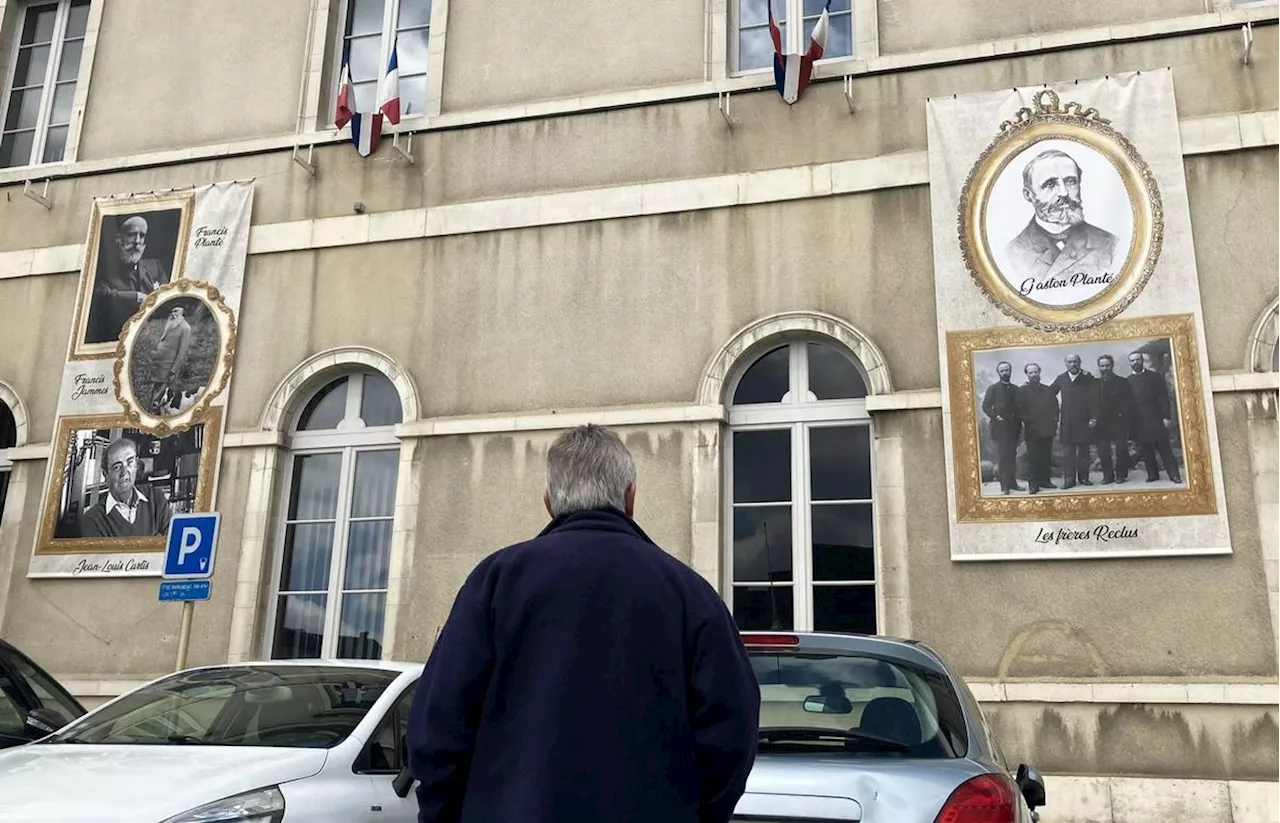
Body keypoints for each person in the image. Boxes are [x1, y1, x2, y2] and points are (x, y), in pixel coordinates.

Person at [404, 424, 761, 823]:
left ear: (549, 502)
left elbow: (437, 729)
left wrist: (444, 814)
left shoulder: (495, 581)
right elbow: (733, 735)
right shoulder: (690, 593)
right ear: (631, 497)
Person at [1004, 149, 1118, 288]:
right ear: (1029, 195)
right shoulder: (1011, 254)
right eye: (1050, 184)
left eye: (1070, 182)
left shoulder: (1110, 245)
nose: (1064, 192)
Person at [85, 215, 172, 344]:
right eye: (132, 234)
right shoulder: (104, 267)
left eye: (141, 236)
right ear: (119, 239)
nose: (137, 241)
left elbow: (168, 298)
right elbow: (102, 297)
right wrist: (137, 297)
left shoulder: (154, 266)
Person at [79, 436, 173, 537]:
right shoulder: (93, 519)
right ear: (106, 474)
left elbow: (171, 543)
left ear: (137, 465)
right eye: (117, 467)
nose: (124, 473)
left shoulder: (156, 498)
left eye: (130, 463)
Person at [1127, 351, 1182, 484]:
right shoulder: (1128, 381)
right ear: (1130, 363)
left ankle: (1174, 475)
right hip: (1139, 420)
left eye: (1138, 360)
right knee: (1146, 449)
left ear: (1142, 361)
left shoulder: (1154, 377)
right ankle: (1153, 474)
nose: (1135, 363)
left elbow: (1163, 398)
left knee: (1164, 448)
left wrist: (1166, 417)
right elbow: (1128, 403)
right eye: (1133, 361)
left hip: (1156, 418)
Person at [1049, 353, 1096, 488]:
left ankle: (1084, 478)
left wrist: (1093, 417)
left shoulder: (1088, 378)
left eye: (1075, 361)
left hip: (1084, 421)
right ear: (1066, 364)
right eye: (1069, 362)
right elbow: (1049, 394)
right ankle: (1069, 480)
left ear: (1079, 362)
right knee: (1068, 454)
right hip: (1067, 422)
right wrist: (1054, 413)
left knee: (1084, 452)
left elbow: (1095, 398)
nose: (1073, 364)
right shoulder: (1061, 378)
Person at [1017, 363, 1059, 495]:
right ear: (1027, 375)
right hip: (1032, 430)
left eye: (1036, 372)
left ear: (1040, 373)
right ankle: (1033, 484)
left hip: (1047, 428)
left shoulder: (1048, 390)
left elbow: (1055, 406)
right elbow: (1020, 409)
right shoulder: (1022, 391)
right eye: (1031, 373)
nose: (1034, 375)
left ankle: (1045, 481)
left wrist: (1054, 420)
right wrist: (1028, 421)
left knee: (1046, 456)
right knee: (1033, 457)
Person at [981, 361, 1023, 494]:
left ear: (1011, 371)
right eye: (1002, 371)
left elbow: (1020, 407)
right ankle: (1004, 486)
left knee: (1012, 455)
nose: (1005, 373)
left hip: (1014, 427)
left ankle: (1012, 483)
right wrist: (995, 416)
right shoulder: (993, 389)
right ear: (998, 373)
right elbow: (986, 406)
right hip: (1000, 427)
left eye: (1007, 370)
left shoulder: (1016, 389)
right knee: (1003, 456)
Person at [1092, 354, 1133, 484]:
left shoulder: (1122, 382)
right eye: (1102, 366)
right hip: (1101, 423)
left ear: (1112, 366)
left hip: (1118, 421)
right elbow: (1091, 402)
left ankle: (1121, 475)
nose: (1105, 368)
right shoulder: (1094, 384)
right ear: (1099, 367)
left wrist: (1123, 414)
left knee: (1121, 449)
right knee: (1103, 451)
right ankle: (1107, 476)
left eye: (1107, 365)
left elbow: (1128, 401)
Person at [147, 305, 193, 413]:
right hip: (158, 365)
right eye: (172, 311)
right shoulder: (170, 324)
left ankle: (155, 415)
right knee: (155, 390)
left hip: (168, 367)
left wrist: (174, 370)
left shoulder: (185, 328)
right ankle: (153, 412)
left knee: (160, 394)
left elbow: (182, 352)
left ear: (183, 313)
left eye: (176, 311)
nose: (173, 313)